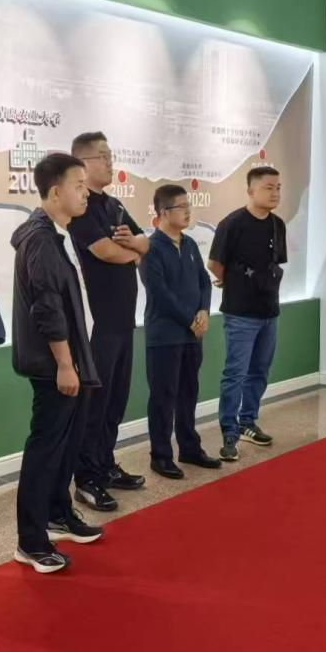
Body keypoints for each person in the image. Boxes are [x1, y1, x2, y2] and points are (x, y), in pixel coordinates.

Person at [10, 152, 105, 573]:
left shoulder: (57, 234)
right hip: (54, 364)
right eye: (78, 186)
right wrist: (65, 364)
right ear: (54, 192)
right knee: (46, 448)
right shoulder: (40, 239)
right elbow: (46, 308)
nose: (86, 193)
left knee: (67, 443)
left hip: (72, 360)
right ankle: (30, 541)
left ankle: (57, 513)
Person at [67, 131, 148, 512]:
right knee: (94, 404)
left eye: (110, 154)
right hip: (97, 324)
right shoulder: (81, 209)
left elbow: (145, 242)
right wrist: (131, 251)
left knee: (116, 400)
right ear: (83, 163)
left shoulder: (114, 204)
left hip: (122, 321)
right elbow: (105, 252)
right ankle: (86, 478)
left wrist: (132, 246)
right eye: (103, 156)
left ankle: (105, 464)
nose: (111, 161)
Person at [139, 184, 222, 478]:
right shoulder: (150, 248)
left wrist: (204, 312)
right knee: (163, 397)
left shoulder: (189, 244)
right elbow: (159, 293)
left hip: (192, 335)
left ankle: (189, 448)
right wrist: (190, 319)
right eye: (182, 206)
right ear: (164, 212)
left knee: (188, 393)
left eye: (189, 205)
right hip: (164, 336)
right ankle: (160, 455)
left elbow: (203, 281)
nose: (188, 211)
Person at [208, 165, 287, 463]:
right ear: (251, 191)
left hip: (270, 312)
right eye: (268, 187)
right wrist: (234, 283)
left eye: (278, 187)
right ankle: (229, 433)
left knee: (259, 371)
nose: (275, 193)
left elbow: (275, 264)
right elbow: (215, 263)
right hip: (240, 314)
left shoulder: (278, 225)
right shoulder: (233, 223)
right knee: (235, 374)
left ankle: (247, 422)